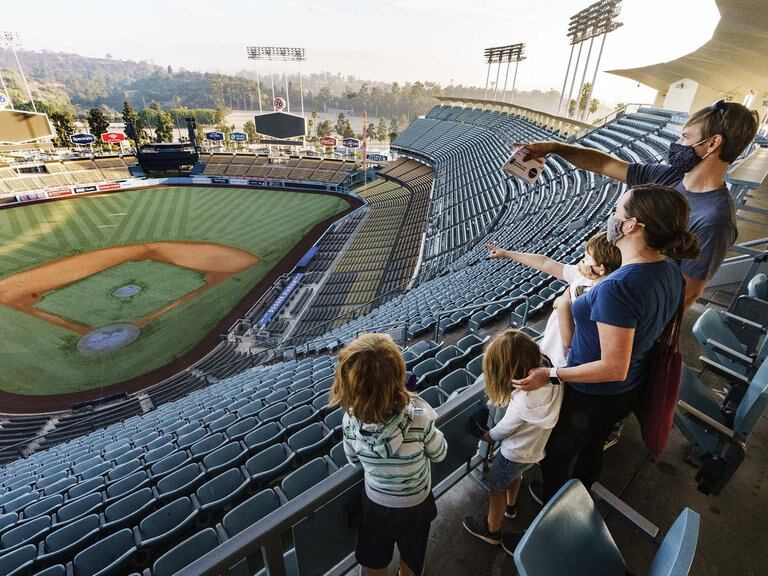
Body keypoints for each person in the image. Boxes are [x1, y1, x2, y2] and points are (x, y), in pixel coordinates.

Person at [508, 184, 700, 518]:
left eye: (617, 212)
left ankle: (554, 523)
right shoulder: (668, 268)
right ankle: (582, 496)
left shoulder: (618, 287)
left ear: (632, 226)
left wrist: (549, 374)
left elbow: (613, 367)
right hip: (627, 390)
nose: (611, 217)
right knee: (592, 446)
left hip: (592, 395)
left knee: (556, 456)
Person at [518, 100, 759, 308]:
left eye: (685, 137)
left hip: (625, 311)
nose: (677, 143)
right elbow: (603, 164)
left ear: (712, 143)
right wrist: (557, 148)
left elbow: (688, 292)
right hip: (610, 291)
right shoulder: (667, 175)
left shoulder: (715, 219)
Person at [331, 333, 447, 576]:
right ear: (397, 377)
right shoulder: (419, 417)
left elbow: (353, 461)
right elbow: (439, 454)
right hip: (417, 504)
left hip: (376, 505)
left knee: (374, 562)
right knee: (413, 559)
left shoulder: (349, 422)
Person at [462, 329, 563, 554]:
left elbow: (503, 430)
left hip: (513, 454)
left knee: (496, 486)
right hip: (534, 451)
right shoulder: (551, 376)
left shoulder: (522, 400)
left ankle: (491, 530)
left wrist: (486, 436)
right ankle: (511, 506)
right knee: (516, 476)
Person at [485, 231, 621, 368]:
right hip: (548, 349)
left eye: (586, 259)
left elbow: (571, 341)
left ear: (601, 269)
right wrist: (506, 253)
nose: (582, 262)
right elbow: (545, 263)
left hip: (561, 362)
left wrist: (563, 305)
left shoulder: (603, 300)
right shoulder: (583, 276)